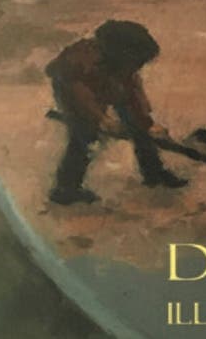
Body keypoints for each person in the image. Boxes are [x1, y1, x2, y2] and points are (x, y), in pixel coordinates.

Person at [46, 19, 185, 206]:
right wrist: (101, 119)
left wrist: (147, 123)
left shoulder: (124, 66)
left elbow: (133, 94)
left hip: (107, 84)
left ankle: (153, 172)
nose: (138, 67)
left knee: (139, 128)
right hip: (72, 91)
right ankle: (66, 189)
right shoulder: (79, 63)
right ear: (118, 55)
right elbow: (82, 98)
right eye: (136, 63)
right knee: (85, 136)